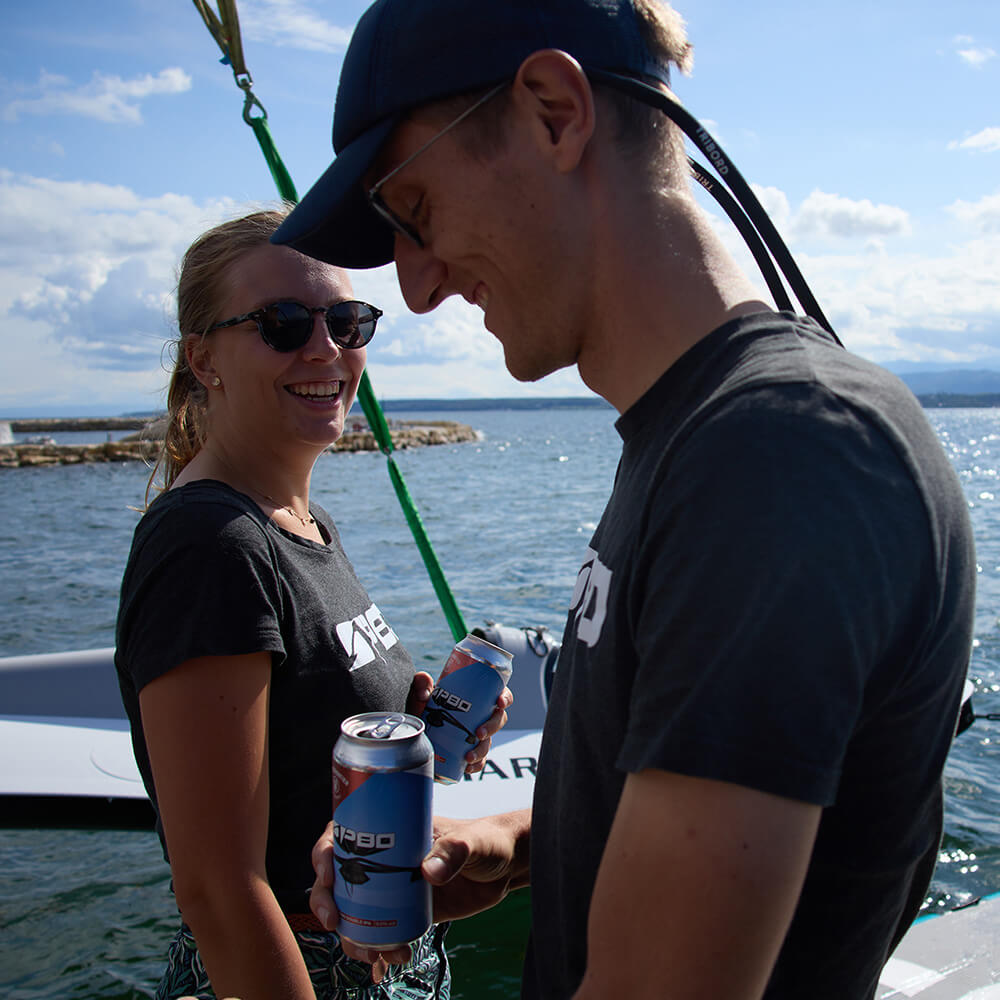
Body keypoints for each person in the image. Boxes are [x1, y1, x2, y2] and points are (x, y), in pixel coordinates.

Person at [274, 1, 977, 998]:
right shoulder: (705, 439)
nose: (420, 288)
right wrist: (517, 842)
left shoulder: (779, 453)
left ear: (554, 111)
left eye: (414, 212)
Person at [114, 206, 510, 1000]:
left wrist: (420, 726)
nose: (325, 347)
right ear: (205, 358)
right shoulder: (212, 544)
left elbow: (308, 755)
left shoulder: (300, 523)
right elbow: (221, 893)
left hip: (378, 953)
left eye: (348, 321)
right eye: (284, 323)